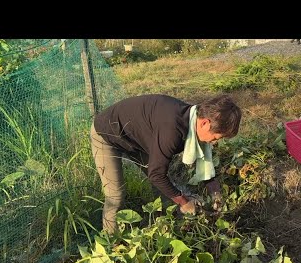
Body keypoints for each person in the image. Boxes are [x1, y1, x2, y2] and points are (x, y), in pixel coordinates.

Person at [90, 94, 242, 234]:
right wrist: (184, 202)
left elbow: (203, 160)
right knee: (116, 195)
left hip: (136, 138)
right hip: (107, 134)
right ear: (205, 123)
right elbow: (156, 175)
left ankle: (165, 224)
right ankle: (111, 242)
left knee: (164, 187)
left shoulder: (193, 119)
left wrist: (215, 193)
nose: (214, 142)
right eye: (216, 137)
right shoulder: (172, 130)